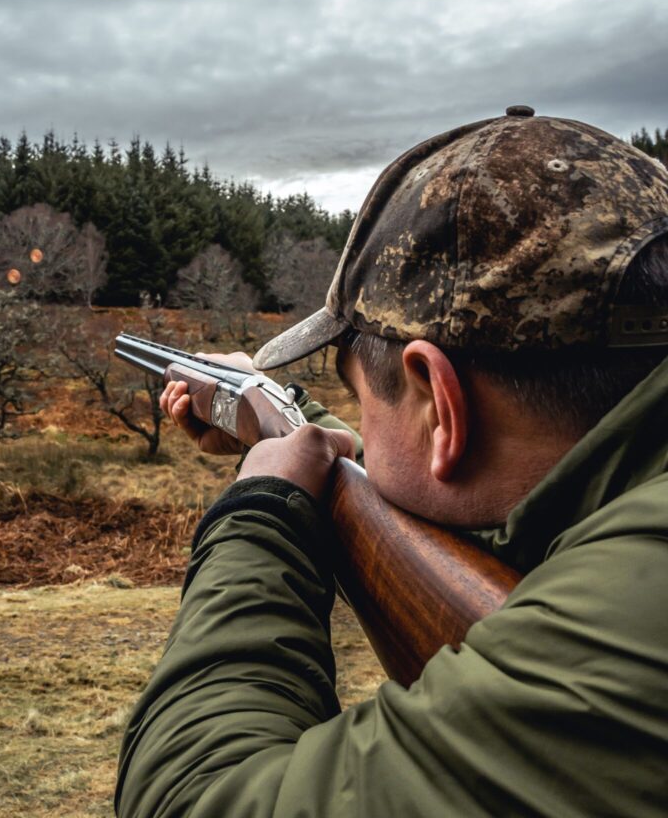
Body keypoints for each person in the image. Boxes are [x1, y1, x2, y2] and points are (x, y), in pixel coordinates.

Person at [115, 107, 668, 817]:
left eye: (355, 394)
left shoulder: (616, 644)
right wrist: (282, 420)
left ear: (439, 402)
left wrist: (259, 512)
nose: (361, 424)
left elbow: (191, 800)